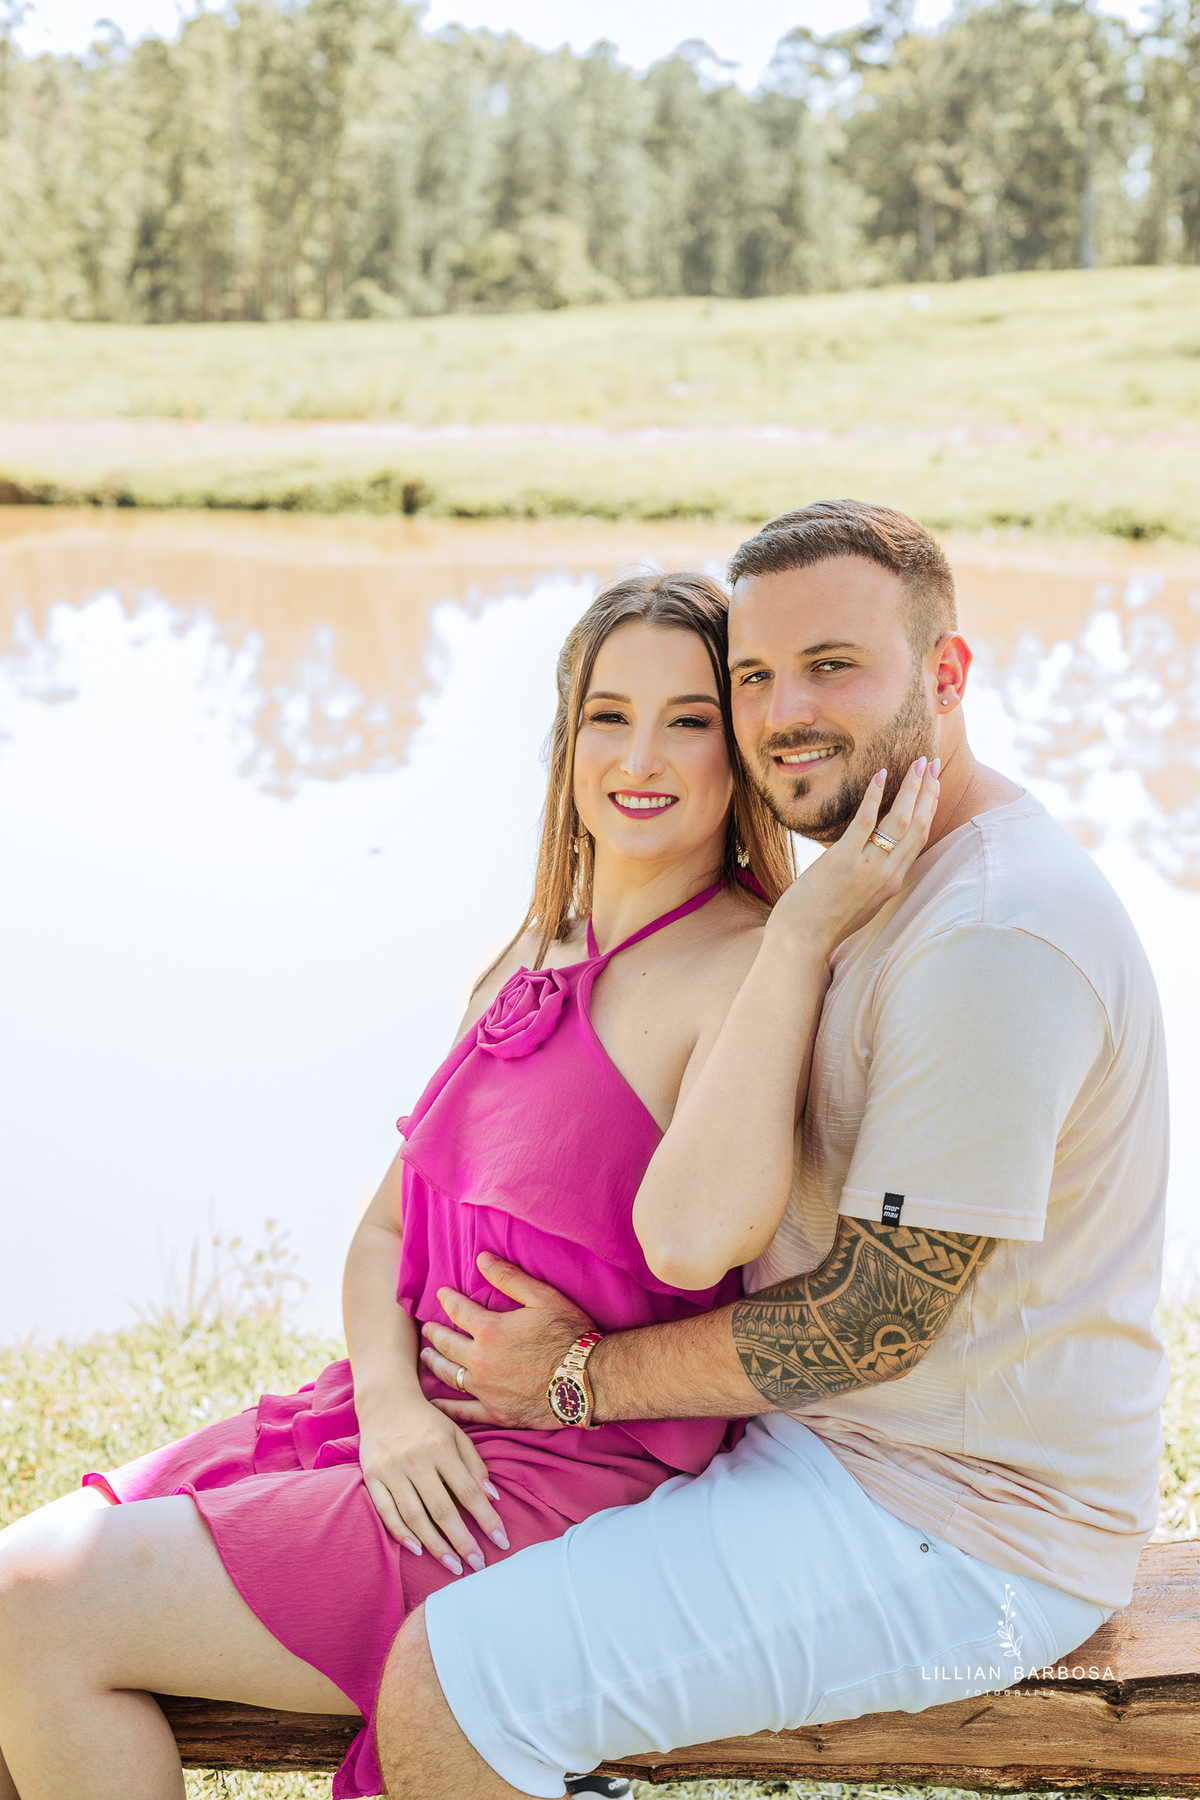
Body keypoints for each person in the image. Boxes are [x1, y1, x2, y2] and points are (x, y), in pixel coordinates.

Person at [0, 569, 937, 1800]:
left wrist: (807, 933)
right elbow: (383, 1230)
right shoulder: (530, 950)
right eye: (608, 716)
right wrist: (392, 1408)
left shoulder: (748, 965)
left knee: (31, 1607)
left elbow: (703, 1238)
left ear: (741, 752)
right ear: (567, 740)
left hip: (539, 1482)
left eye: (689, 720)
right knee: (18, 1586)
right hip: (391, 1423)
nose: (639, 757)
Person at [374, 499, 1169, 1800]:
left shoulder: (989, 940)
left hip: (965, 1530)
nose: (784, 713)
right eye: (754, 675)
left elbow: (870, 1323)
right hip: (830, 1453)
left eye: (832, 666)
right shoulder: (864, 883)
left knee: (451, 1687)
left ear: (947, 673)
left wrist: (572, 1380)